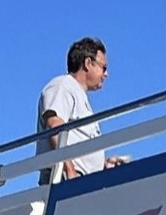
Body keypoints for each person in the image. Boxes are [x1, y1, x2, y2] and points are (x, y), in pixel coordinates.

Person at [36, 37, 125, 184]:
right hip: (66, 180)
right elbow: (54, 126)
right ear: (88, 63)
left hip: (84, 181)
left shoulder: (78, 95)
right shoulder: (63, 85)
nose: (106, 74)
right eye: (103, 68)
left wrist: (102, 165)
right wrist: (70, 171)